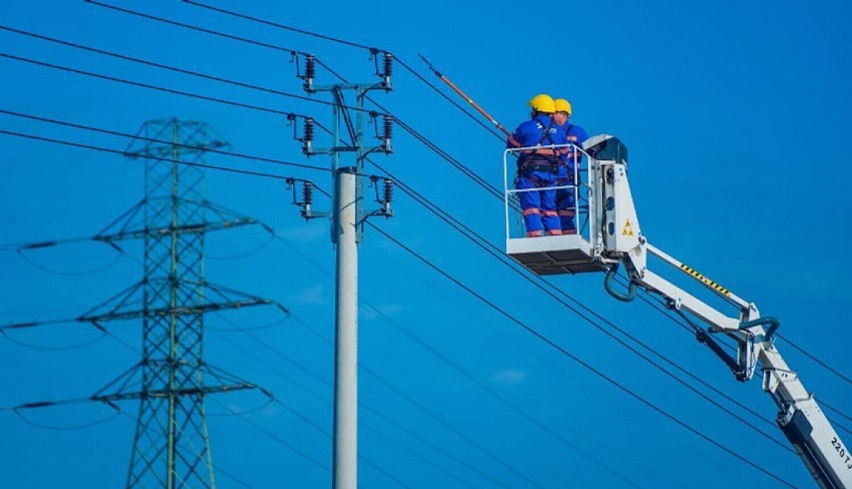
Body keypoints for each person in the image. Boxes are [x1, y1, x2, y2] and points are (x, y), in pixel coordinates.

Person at [508, 94, 565, 237]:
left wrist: (524, 145)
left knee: (531, 208)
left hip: (530, 174)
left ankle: (535, 236)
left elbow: (511, 144)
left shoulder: (527, 126)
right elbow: (564, 151)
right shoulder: (559, 131)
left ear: (536, 110)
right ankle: (556, 236)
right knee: (550, 208)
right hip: (551, 175)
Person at [552, 98, 589, 235]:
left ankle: (569, 239)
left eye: (554, 112)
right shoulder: (549, 132)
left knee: (565, 216)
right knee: (551, 218)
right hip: (550, 182)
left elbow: (591, 151)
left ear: (563, 113)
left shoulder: (577, 132)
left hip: (568, 182)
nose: (551, 116)